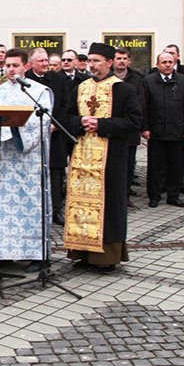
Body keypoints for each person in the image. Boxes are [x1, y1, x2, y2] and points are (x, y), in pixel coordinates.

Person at [64, 43, 143, 272]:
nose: (92, 65)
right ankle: (82, 252)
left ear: (109, 63)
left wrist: (102, 124)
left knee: (109, 205)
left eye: (97, 61)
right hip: (82, 156)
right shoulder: (81, 88)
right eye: (90, 61)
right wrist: (80, 122)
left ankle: (106, 257)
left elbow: (134, 122)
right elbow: (66, 116)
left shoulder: (123, 90)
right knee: (81, 204)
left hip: (111, 158)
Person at [0, 47, 52, 271]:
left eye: (15, 65)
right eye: (7, 66)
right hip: (3, 162)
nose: (10, 69)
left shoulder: (39, 91)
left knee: (32, 205)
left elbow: (42, 122)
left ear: (25, 66)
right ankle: (2, 254)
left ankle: (38, 255)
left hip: (30, 161)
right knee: (1, 206)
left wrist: (11, 131)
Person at [141, 51, 184, 208]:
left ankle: (173, 196)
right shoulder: (149, 81)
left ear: (174, 63)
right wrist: (145, 128)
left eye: (170, 62)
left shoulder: (183, 81)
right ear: (157, 65)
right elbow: (144, 107)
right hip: (156, 132)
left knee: (176, 166)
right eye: (164, 62)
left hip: (177, 132)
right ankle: (154, 196)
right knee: (155, 167)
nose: (167, 65)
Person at [25, 49, 70, 225]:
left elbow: (65, 105)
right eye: (41, 61)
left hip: (54, 134)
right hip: (31, 135)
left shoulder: (59, 79)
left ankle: (56, 208)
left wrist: (54, 124)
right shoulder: (25, 79)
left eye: (46, 60)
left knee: (55, 172)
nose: (45, 64)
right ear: (31, 63)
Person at [112, 48, 144, 199]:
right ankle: (114, 194)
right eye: (119, 58)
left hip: (130, 128)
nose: (122, 61)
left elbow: (141, 102)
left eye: (124, 58)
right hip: (112, 128)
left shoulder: (137, 79)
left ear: (129, 61)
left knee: (129, 163)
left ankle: (125, 195)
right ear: (113, 61)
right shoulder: (108, 78)